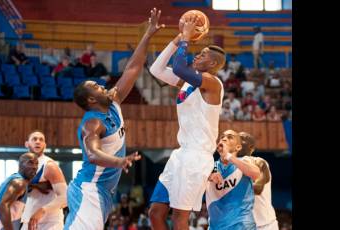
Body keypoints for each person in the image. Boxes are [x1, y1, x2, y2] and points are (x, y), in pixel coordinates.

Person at [64, 8, 164, 229]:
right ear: (91, 100)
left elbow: (133, 68)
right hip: (89, 187)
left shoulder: (114, 100)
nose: (102, 85)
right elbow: (92, 153)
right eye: (96, 86)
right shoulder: (93, 122)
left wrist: (148, 34)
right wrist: (119, 161)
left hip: (103, 191)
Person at [148, 15, 226, 230]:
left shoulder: (212, 83)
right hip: (181, 154)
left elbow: (180, 68)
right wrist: (179, 37)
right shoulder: (187, 81)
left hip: (197, 157)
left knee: (179, 218)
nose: (197, 55)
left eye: (201, 55)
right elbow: (156, 69)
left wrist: (186, 39)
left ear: (211, 64)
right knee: (155, 213)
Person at [205, 129, 260, 230]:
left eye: (230, 137)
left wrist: (229, 156)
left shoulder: (244, 161)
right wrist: (208, 176)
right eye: (222, 137)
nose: (224, 139)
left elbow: (256, 174)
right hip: (215, 227)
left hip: (242, 225)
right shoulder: (210, 166)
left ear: (238, 147)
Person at [21, 131, 68, 230]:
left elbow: (65, 197)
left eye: (41, 140)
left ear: (45, 145)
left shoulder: (49, 165)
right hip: (29, 221)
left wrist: (42, 210)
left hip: (49, 223)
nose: (38, 142)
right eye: (34, 139)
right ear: (27, 144)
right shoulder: (24, 165)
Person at [0, 153, 38, 230]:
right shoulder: (19, 183)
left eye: (36, 163)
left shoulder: (14, 179)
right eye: (30, 163)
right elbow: (3, 206)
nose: (34, 167)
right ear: (20, 165)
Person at [238, 132, 279, 230]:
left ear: (252, 148)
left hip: (266, 225)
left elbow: (258, 189)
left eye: (243, 139)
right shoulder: (228, 166)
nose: (239, 141)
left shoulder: (259, 162)